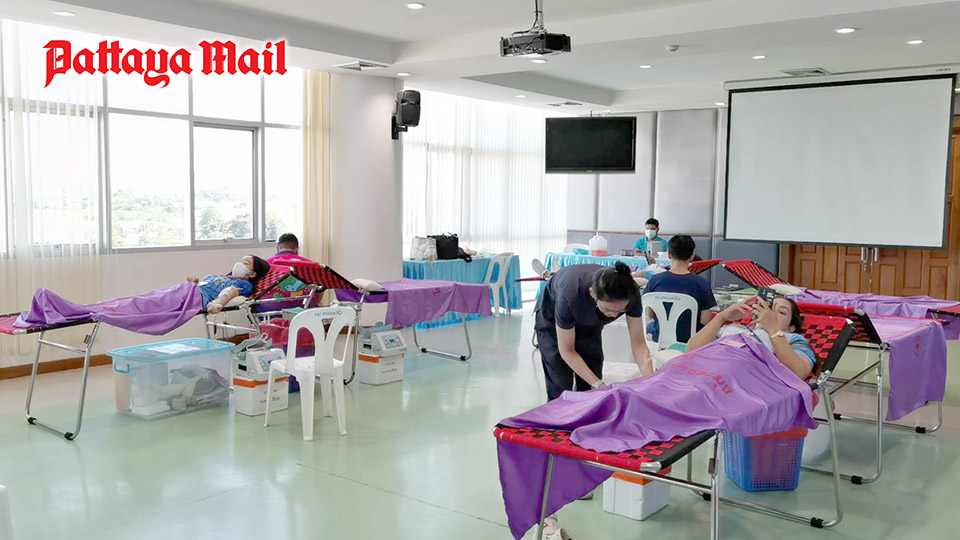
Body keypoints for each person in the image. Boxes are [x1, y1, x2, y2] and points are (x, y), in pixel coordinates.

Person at [534, 262, 652, 401]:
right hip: (552, 318)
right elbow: (567, 351)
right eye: (608, 310)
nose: (614, 315)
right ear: (593, 294)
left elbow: (639, 343)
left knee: (591, 374)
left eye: (620, 311)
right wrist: (599, 385)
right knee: (560, 381)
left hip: (590, 319)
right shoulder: (570, 296)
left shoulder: (630, 294)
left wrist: (651, 380)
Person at [686, 295, 816, 380]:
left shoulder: (792, 339)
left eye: (782, 312)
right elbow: (692, 350)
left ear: (791, 327)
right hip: (704, 373)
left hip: (738, 381)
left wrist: (773, 328)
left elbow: (799, 372)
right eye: (768, 308)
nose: (771, 313)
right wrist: (721, 317)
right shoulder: (734, 328)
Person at [643, 235, 717, 344]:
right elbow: (705, 320)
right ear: (692, 256)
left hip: (659, 339)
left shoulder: (654, 281)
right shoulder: (701, 283)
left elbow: (651, 315)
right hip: (691, 342)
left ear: (669, 254)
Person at [186, 254, 270, 314]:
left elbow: (230, 292)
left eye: (245, 263)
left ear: (252, 274)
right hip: (189, 291)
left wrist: (218, 303)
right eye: (240, 261)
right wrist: (195, 283)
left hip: (197, 298)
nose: (239, 264)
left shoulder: (244, 284)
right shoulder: (224, 278)